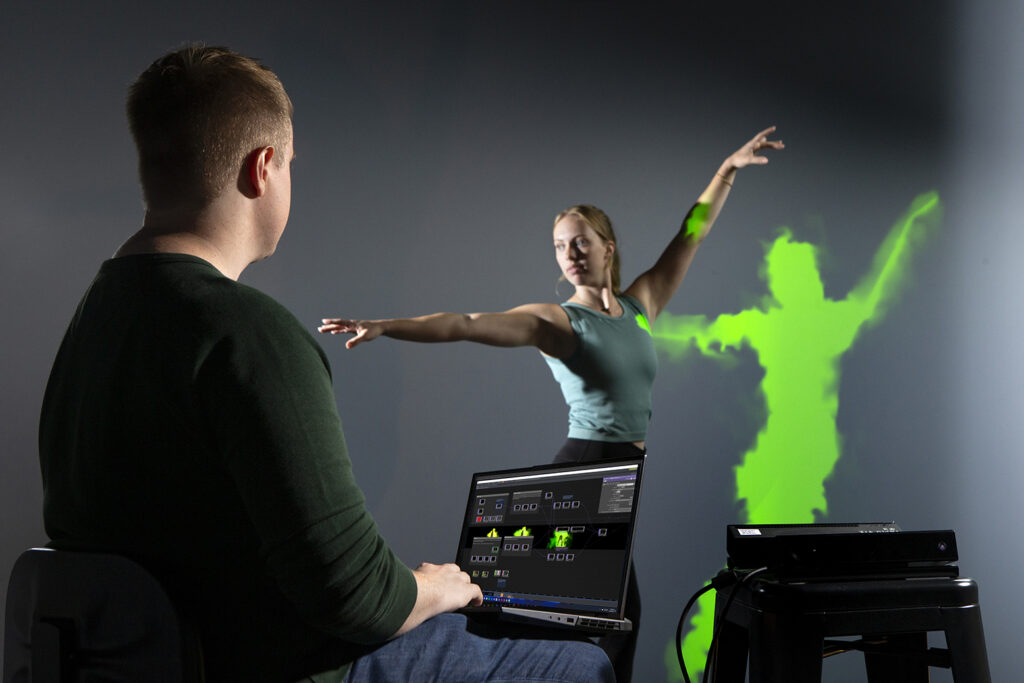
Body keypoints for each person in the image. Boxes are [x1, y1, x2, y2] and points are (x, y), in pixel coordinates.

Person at [38, 45, 613, 683]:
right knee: (578, 662)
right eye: (289, 165)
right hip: (282, 668)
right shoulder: (248, 336)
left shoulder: (96, 318)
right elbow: (355, 597)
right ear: (262, 169)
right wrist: (434, 586)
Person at [318, 127, 783, 681]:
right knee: (598, 619)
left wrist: (725, 172)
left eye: (580, 240)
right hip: (584, 476)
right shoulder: (562, 321)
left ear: (608, 246)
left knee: (596, 617)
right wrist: (385, 327)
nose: (570, 254)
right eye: (561, 246)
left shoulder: (639, 307)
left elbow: (690, 236)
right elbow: (468, 323)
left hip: (615, 479)